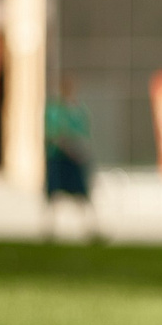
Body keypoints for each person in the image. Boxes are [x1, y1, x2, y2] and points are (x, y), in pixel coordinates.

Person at [42, 74, 98, 243]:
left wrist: (80, 151)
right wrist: (68, 147)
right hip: (59, 157)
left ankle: (91, 229)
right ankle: (49, 230)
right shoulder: (54, 110)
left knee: (81, 194)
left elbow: (84, 134)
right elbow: (53, 134)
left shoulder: (78, 110)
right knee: (54, 194)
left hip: (75, 158)